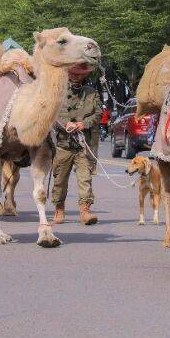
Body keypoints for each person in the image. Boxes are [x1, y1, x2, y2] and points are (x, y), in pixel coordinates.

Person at [50, 63, 102, 226]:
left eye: (79, 74)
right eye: (73, 73)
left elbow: (98, 114)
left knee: (85, 179)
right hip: (63, 145)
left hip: (84, 145)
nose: (76, 76)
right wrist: (65, 124)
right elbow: (52, 113)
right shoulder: (58, 93)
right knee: (60, 180)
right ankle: (59, 209)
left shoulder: (92, 94)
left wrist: (83, 124)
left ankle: (85, 211)